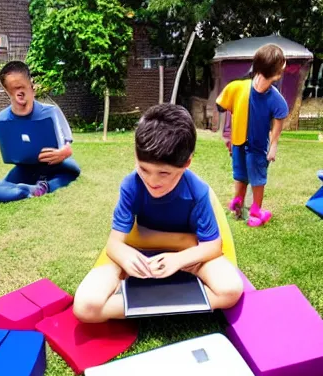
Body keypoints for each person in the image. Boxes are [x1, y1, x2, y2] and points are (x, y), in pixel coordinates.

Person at [73, 104, 243, 323]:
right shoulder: (131, 186)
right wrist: (128, 259)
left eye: (164, 173)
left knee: (231, 289)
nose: (153, 181)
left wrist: (178, 261)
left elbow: (212, 246)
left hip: (186, 258)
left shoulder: (197, 191)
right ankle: (173, 301)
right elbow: (114, 245)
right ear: (135, 156)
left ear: (186, 164)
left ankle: (146, 302)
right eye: (144, 169)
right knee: (84, 306)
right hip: (141, 253)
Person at [0, 61, 80, 204]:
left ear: (31, 84)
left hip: (57, 165)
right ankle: (27, 191)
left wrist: (62, 154)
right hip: (26, 169)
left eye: (22, 88)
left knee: (70, 172)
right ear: (6, 91)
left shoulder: (50, 112)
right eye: (13, 90)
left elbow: (68, 147)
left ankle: (44, 187)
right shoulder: (1, 119)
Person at [217, 44, 289, 227]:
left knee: (255, 178)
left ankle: (248, 208)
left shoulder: (274, 98)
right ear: (277, 72)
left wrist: (273, 146)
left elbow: (279, 121)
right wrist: (228, 137)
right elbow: (224, 108)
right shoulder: (241, 88)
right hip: (241, 143)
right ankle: (245, 208)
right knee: (244, 176)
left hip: (256, 146)